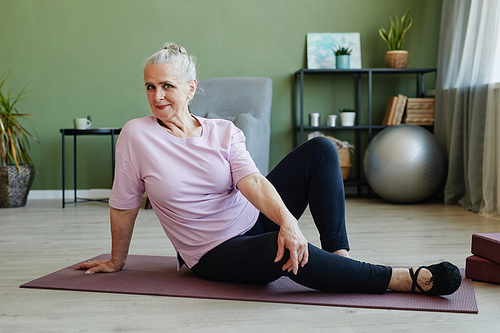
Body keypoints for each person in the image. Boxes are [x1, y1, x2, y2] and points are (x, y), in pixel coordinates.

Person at [76, 43, 462, 296]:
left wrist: (288, 223)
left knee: (321, 149)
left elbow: (252, 182)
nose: (157, 96)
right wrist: (117, 260)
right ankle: (398, 278)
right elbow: (124, 203)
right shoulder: (136, 135)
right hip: (214, 252)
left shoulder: (223, 131)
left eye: (166, 86)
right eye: (149, 87)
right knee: (279, 252)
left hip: (253, 219)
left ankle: (339, 258)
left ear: (190, 88)